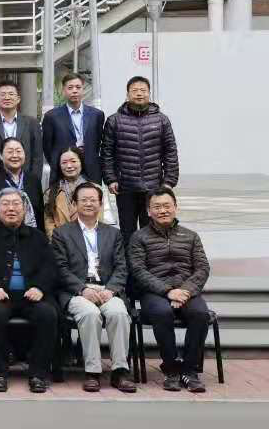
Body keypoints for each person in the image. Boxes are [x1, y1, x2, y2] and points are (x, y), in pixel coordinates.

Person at [0, 188, 58, 393]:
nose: (11, 208)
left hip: (31, 295)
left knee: (47, 314)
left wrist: (39, 287)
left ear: (24, 209)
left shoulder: (38, 238)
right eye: (5, 204)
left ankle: (38, 373)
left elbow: (50, 268)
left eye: (16, 204)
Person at [51, 182, 136, 393]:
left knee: (118, 313)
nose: (88, 204)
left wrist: (111, 290)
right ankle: (92, 372)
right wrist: (83, 289)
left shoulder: (113, 234)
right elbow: (60, 269)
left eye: (93, 200)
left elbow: (121, 267)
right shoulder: (62, 233)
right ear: (74, 204)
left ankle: (120, 371)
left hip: (107, 289)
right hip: (77, 291)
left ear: (100, 203)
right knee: (90, 314)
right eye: (83, 200)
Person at [128, 187, 210, 393]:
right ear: (149, 211)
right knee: (162, 312)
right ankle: (171, 368)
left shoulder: (191, 236)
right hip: (154, 292)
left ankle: (189, 370)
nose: (162, 210)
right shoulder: (139, 237)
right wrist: (167, 291)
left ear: (175, 207)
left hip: (186, 290)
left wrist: (185, 291)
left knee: (200, 314)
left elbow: (202, 268)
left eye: (167, 206)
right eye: (157, 207)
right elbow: (138, 271)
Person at [102, 76, 180, 246]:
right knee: (127, 232)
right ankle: (128, 261)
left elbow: (170, 153)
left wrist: (169, 181)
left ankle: (151, 261)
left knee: (152, 231)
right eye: (135, 90)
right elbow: (107, 153)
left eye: (143, 90)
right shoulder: (114, 120)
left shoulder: (161, 120)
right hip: (125, 187)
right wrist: (111, 179)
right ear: (127, 94)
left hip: (153, 187)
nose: (139, 94)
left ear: (149, 93)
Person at [42, 73, 105, 183]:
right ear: (63, 91)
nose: (74, 91)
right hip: (63, 171)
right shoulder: (51, 116)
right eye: (70, 88)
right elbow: (47, 147)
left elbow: (98, 143)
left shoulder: (97, 115)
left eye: (78, 87)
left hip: (91, 171)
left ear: (83, 89)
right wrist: (59, 163)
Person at [0, 138, 45, 233]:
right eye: (10, 152)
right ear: (1, 155)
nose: (15, 155)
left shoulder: (34, 180)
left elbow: (40, 213)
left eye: (18, 151)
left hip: (31, 236)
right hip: (1, 236)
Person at [0, 80, 44, 180]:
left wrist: (34, 182)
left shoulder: (32, 123)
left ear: (18, 99)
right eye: (3, 94)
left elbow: (37, 157)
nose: (7, 97)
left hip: (24, 180)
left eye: (11, 94)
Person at [43, 146, 97, 238]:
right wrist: (57, 241)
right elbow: (49, 222)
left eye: (73, 161)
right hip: (60, 242)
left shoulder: (95, 190)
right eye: (64, 162)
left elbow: (100, 221)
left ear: (81, 163)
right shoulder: (51, 192)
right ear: (59, 166)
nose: (69, 166)